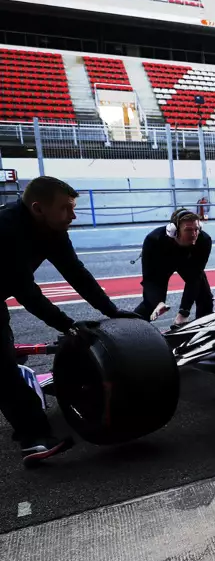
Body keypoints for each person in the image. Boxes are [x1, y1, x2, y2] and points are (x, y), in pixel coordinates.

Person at [1, 177, 136, 464]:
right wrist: (68, 325)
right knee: (3, 371)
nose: (73, 217)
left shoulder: (53, 229)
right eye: (66, 209)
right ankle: (34, 438)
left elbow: (76, 273)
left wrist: (111, 310)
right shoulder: (6, 229)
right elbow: (26, 292)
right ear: (38, 209)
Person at [133, 209, 214, 327]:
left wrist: (184, 312)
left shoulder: (204, 240)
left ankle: (204, 330)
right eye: (188, 230)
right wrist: (158, 302)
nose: (194, 234)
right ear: (174, 231)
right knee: (150, 304)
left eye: (196, 229)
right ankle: (132, 328)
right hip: (162, 262)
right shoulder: (153, 240)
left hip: (188, 263)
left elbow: (195, 277)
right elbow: (149, 279)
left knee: (204, 297)